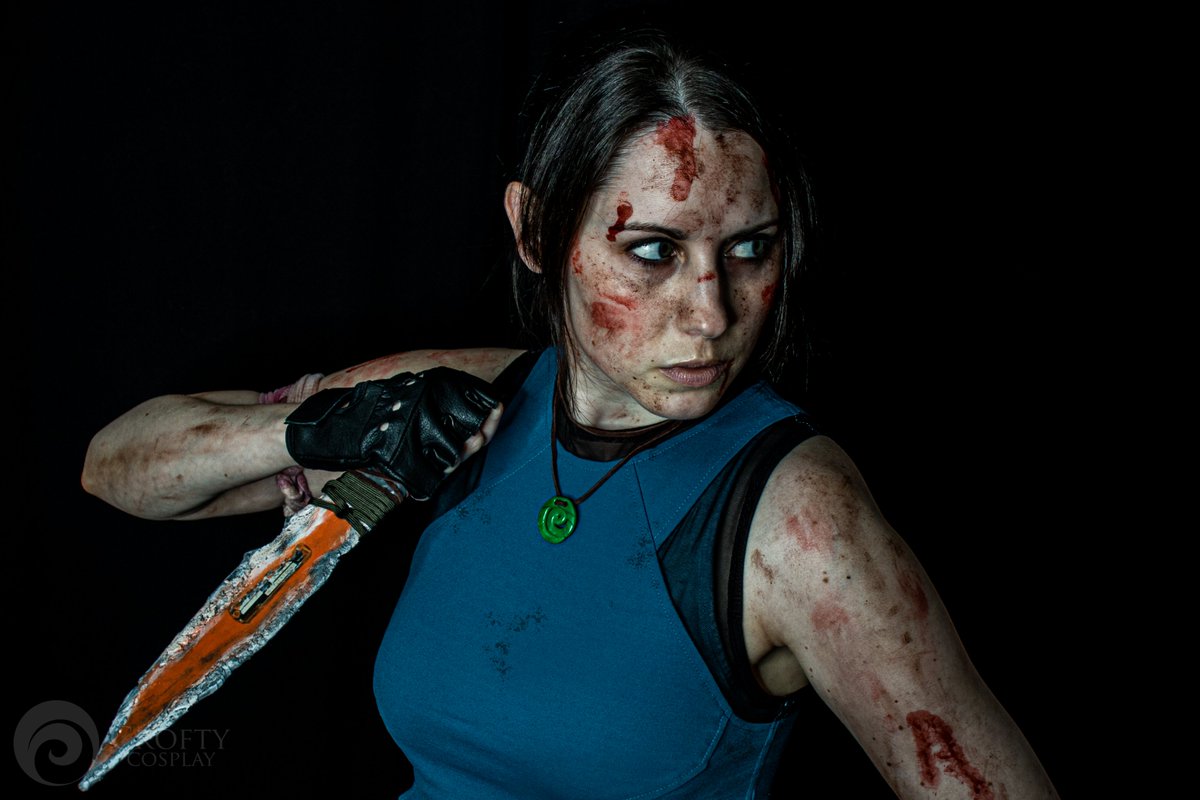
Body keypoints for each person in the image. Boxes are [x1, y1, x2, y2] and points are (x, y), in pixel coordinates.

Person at [80, 27, 1059, 799]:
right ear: (538, 232)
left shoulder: (799, 519)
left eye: (749, 250)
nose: (712, 314)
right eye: (654, 251)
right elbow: (118, 469)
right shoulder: (466, 403)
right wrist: (314, 430)